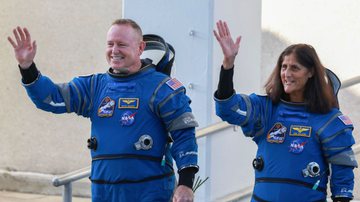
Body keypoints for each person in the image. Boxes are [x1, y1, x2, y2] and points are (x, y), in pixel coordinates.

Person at [8, 19, 199, 202]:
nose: (114, 50)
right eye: (110, 44)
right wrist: (27, 67)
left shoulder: (163, 88)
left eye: (122, 44)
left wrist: (185, 184)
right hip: (104, 192)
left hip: (150, 192)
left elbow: (184, 136)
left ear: (140, 48)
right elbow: (51, 98)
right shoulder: (94, 87)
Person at [213, 20, 358, 202]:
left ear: (311, 72)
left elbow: (342, 176)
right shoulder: (266, 109)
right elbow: (228, 109)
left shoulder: (329, 120)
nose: (287, 74)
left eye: (294, 68)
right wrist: (228, 65)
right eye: (284, 67)